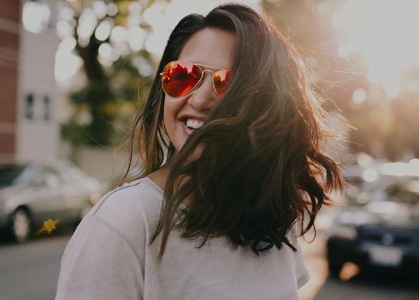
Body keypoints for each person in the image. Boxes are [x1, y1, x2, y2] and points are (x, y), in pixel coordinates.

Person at [55, 3, 342, 300]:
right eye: (183, 75)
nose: (200, 99)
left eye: (229, 84)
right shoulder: (121, 223)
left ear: (269, 108)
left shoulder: (273, 220)